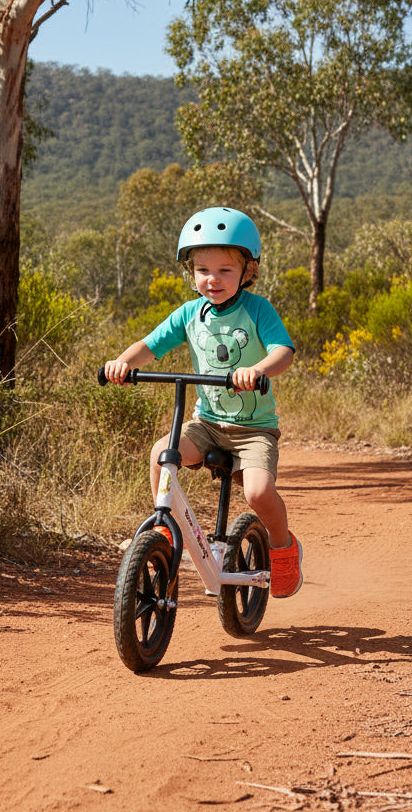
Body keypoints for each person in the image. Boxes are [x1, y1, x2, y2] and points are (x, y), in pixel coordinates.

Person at [103, 206, 303, 598]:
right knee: (163, 453)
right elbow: (150, 345)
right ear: (191, 274)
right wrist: (123, 364)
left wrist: (258, 369)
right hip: (207, 425)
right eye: (202, 270)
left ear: (248, 271)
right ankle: (162, 529)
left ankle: (282, 547)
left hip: (252, 431)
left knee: (258, 493)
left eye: (225, 270)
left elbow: (283, 351)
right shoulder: (190, 314)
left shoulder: (258, 309)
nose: (213, 279)